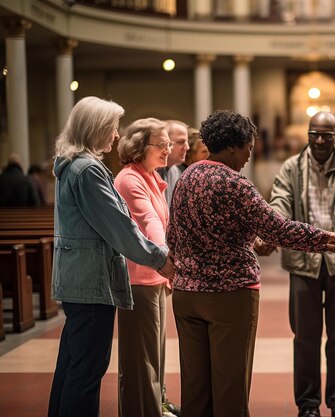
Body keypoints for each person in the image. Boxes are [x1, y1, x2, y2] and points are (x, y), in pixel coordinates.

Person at [166, 110, 335, 417]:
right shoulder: (235, 184)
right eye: (248, 150)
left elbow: (173, 236)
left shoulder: (186, 177)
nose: (247, 157)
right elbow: (280, 229)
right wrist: (332, 239)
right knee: (230, 387)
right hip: (228, 297)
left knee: (195, 388)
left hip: (187, 294)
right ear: (232, 147)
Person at [48, 96, 174, 417]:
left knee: (72, 368)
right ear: (96, 129)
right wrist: (161, 260)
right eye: (113, 127)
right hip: (92, 283)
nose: (117, 135)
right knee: (86, 372)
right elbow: (119, 228)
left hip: (80, 281)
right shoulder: (88, 170)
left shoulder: (72, 165)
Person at [256, 111, 335, 417]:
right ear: (307, 135)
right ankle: (307, 405)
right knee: (305, 338)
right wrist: (273, 229)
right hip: (302, 263)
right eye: (314, 134)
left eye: (327, 135)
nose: (320, 140)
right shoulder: (291, 168)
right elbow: (280, 201)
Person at [113, 118, 177, 417]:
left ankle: (155, 408)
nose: (168, 150)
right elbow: (149, 219)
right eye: (161, 145)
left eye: (169, 144)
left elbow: (163, 220)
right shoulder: (129, 178)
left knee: (155, 356)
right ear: (140, 146)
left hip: (154, 277)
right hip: (137, 279)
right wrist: (164, 255)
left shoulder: (151, 176)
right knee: (141, 361)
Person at [158, 120, 189, 206]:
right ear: (164, 143)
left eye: (186, 142)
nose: (187, 147)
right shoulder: (152, 171)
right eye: (180, 142)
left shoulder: (177, 172)